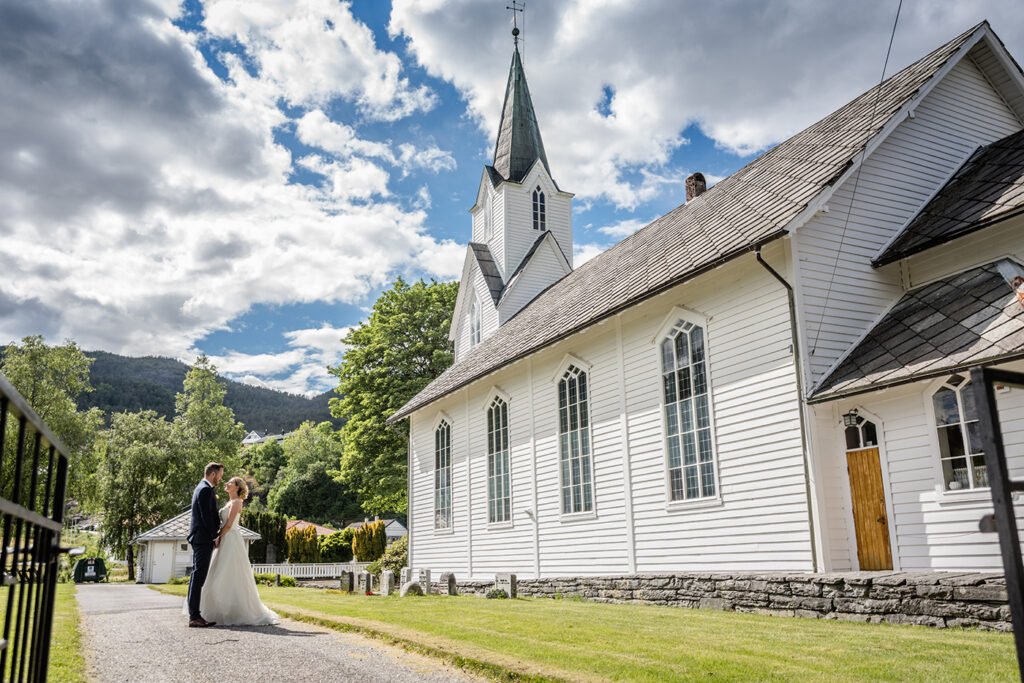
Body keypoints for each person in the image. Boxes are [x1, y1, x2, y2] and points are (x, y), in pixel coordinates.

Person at [192, 476, 280, 626]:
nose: (227, 483)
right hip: (225, 539)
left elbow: (229, 525)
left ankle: (237, 611)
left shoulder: (237, 502)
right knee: (218, 572)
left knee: (230, 572)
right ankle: (216, 610)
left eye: (231, 482)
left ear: (238, 487)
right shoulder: (228, 502)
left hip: (231, 539)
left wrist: (216, 537)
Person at [186, 462, 223, 628]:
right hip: (202, 538)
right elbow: (206, 516)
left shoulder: (201, 488)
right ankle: (194, 616)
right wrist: (215, 535)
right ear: (213, 474)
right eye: (220, 475)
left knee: (198, 575)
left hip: (200, 537)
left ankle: (194, 614)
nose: (221, 479)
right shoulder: (205, 490)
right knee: (198, 575)